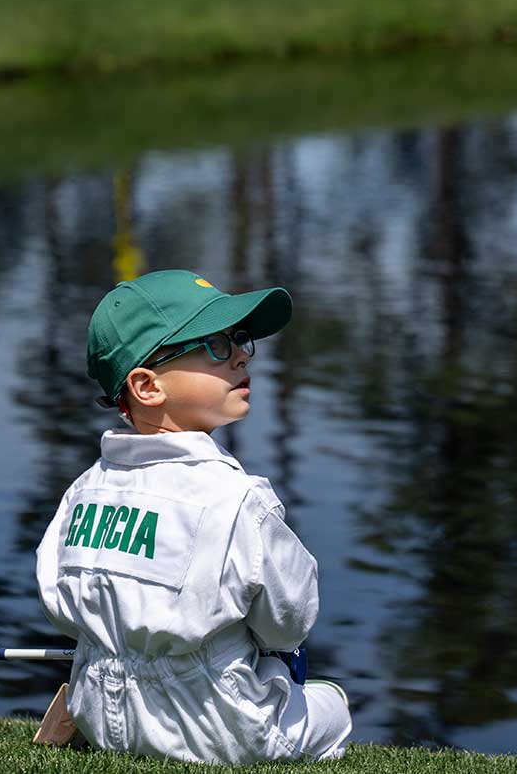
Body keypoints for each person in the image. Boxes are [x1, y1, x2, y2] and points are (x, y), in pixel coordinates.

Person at [33, 269, 352, 763]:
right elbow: (290, 623)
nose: (242, 354)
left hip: (101, 718)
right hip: (219, 730)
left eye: (239, 340)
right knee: (333, 705)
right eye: (215, 346)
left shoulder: (82, 492)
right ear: (146, 385)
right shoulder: (238, 498)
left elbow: (60, 608)